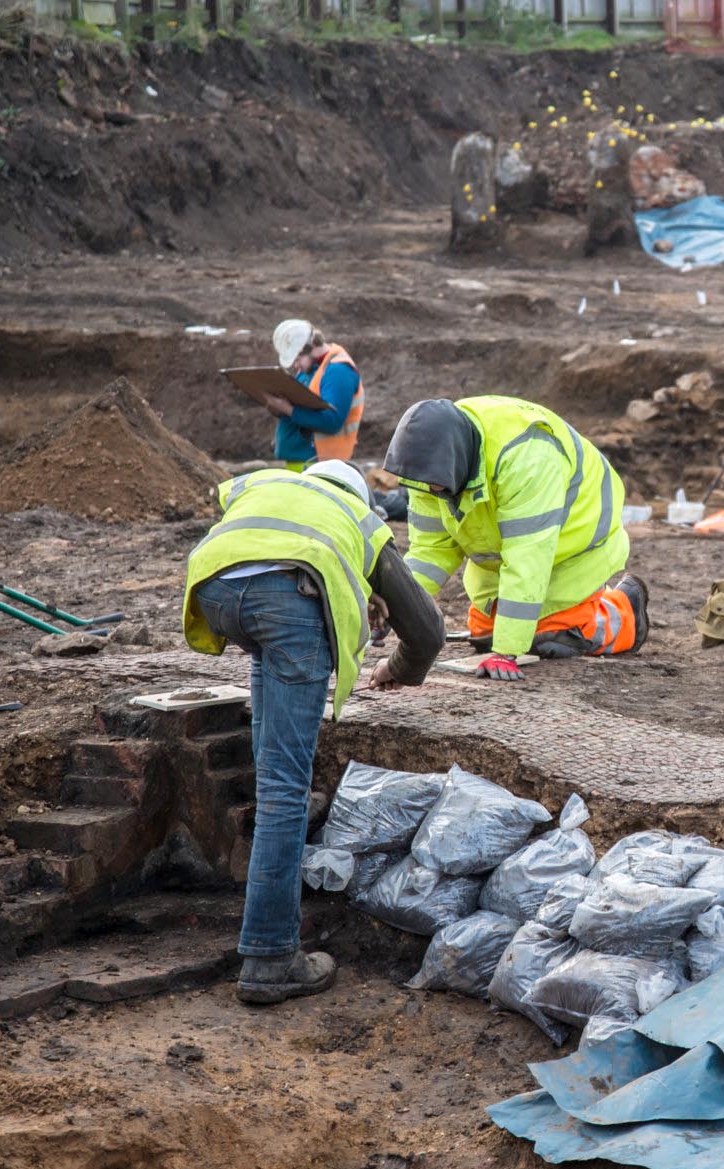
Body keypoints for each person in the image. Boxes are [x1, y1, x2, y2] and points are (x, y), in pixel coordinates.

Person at [182, 459, 444, 1004]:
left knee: (273, 728)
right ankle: (270, 957)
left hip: (214, 588)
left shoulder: (265, 483)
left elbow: (254, 559)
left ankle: (283, 801)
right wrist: (398, 671)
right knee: (283, 791)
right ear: (358, 496)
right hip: (286, 602)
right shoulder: (361, 518)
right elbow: (426, 629)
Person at [383, 396, 648, 680]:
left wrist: (507, 652)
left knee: (547, 638)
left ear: (456, 458)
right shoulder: (431, 471)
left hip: (573, 550)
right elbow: (430, 550)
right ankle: (553, 618)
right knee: (485, 636)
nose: (429, 490)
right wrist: (391, 606)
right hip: (502, 553)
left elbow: (528, 558)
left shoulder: (527, 459)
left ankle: (625, 609)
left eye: (434, 485)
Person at [263, 320, 364, 469]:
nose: (296, 366)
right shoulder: (312, 369)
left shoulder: (338, 371)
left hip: (321, 465)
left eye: (297, 359)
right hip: (304, 463)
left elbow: (332, 421)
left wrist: (287, 410)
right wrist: (278, 408)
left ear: (311, 347)